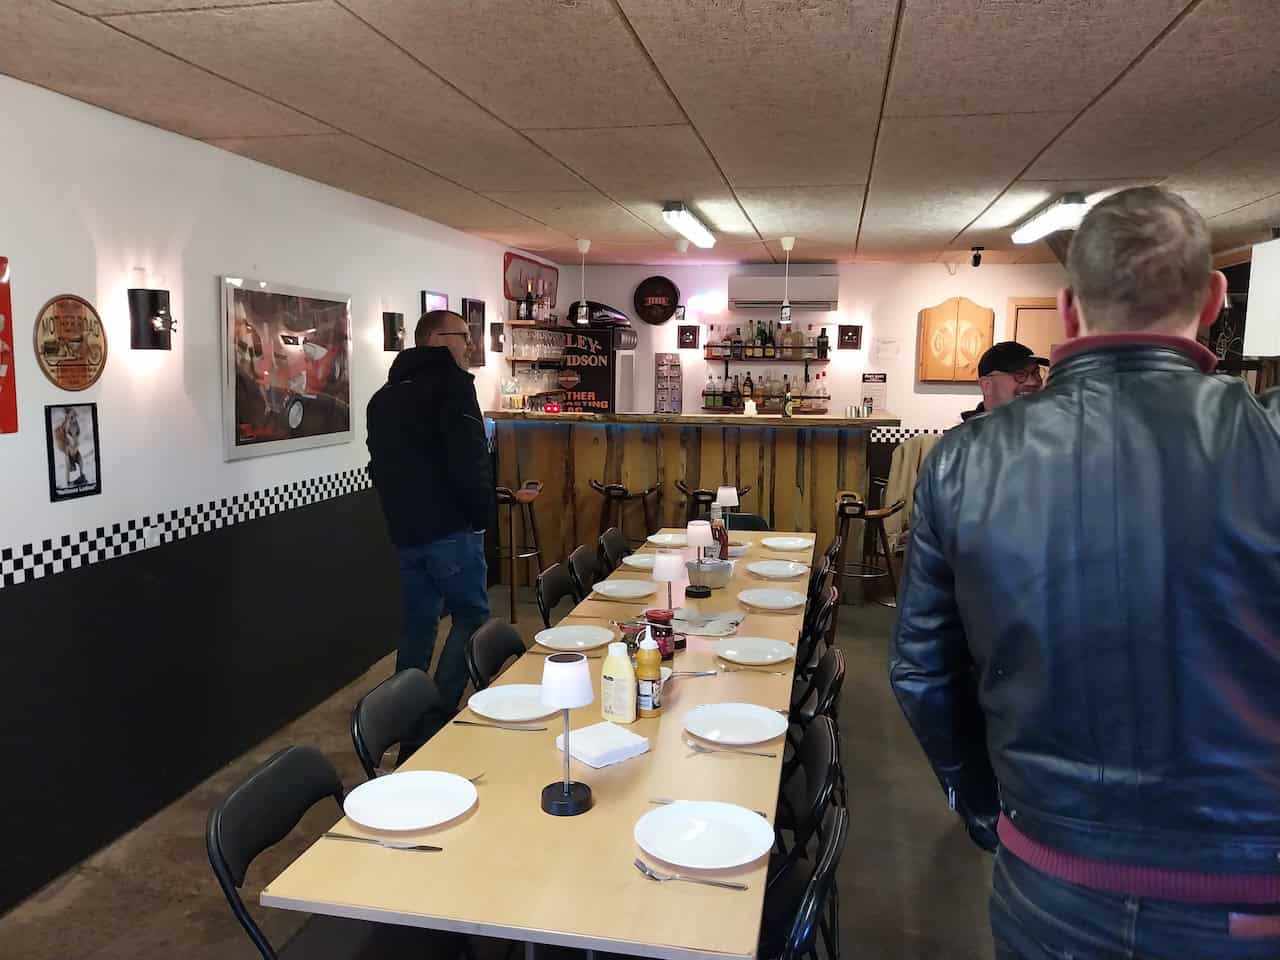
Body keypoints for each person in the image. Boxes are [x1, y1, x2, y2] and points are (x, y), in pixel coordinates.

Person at [890, 186, 1280, 958]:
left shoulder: (965, 458)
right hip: (1247, 888)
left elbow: (923, 672)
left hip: (1051, 870)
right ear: (1213, 300)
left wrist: (990, 811)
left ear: (1069, 312)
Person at [367, 310, 492, 712]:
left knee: (419, 625)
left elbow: (379, 468)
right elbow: (469, 461)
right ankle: (436, 714)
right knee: (471, 616)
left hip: (405, 532)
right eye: (464, 336)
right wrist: (481, 518)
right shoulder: (453, 388)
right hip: (451, 530)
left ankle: (405, 715)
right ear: (437, 339)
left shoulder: (382, 398)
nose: (470, 345)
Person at [960, 341, 1047, 421]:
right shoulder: (966, 433)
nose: (1033, 382)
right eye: (1020, 374)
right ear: (986, 385)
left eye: (1036, 372)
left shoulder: (1047, 427)